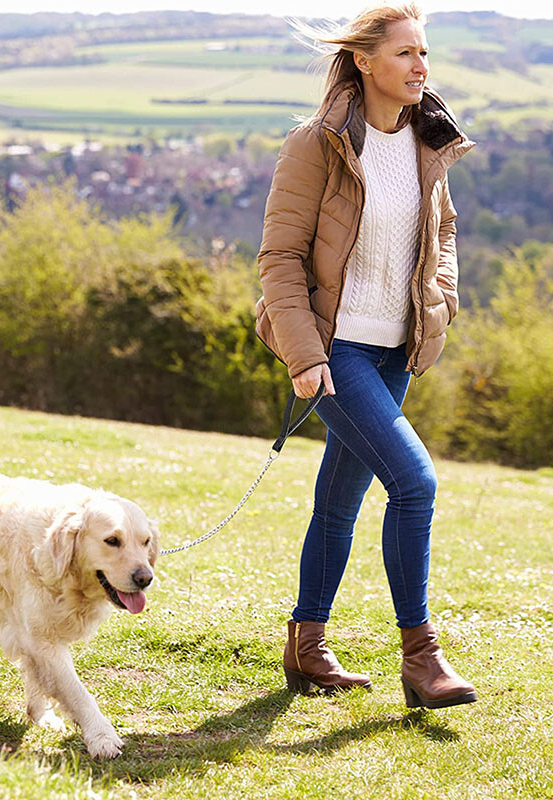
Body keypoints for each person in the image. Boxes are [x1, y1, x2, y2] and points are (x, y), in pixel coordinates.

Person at [255, 2, 477, 709]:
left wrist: (438, 301)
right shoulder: (316, 144)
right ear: (364, 61)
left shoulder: (427, 139)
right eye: (406, 53)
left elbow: (441, 232)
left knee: (341, 499)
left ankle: (306, 642)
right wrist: (303, 355)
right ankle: (422, 658)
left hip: (393, 351)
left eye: (424, 53)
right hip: (336, 348)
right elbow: (280, 259)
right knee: (415, 483)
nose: (421, 66)